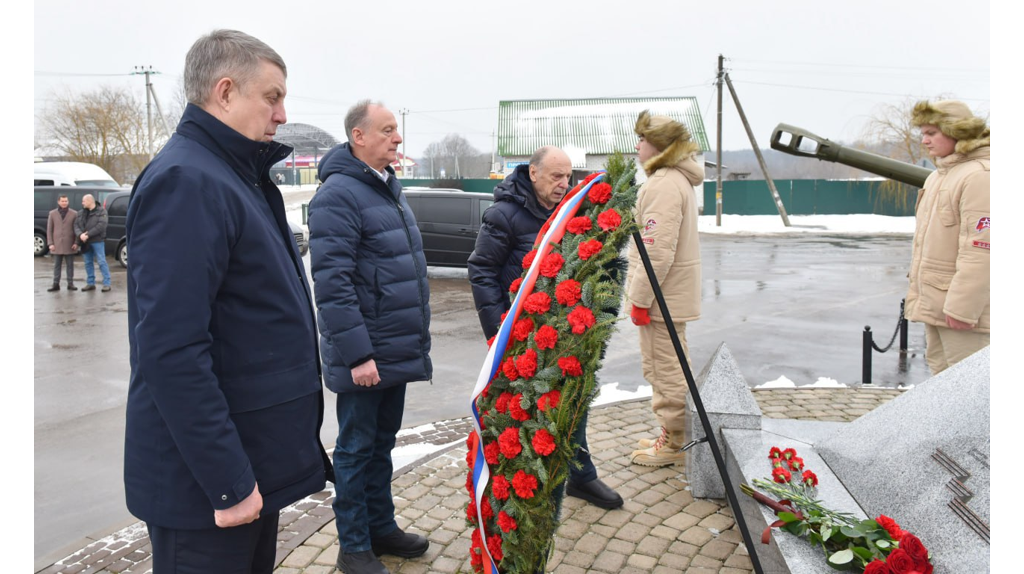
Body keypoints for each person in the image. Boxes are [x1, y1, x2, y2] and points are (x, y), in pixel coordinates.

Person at [123, 29, 332, 573]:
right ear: (224, 92)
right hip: (207, 490)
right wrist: (229, 483)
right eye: (272, 96)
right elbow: (170, 351)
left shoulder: (231, 175)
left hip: (245, 469)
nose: (283, 113)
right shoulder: (188, 181)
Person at [308, 100, 432, 574]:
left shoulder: (383, 187)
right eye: (387, 131)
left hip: (393, 349)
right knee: (357, 450)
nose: (397, 138)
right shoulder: (339, 194)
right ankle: (353, 545)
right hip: (366, 357)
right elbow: (333, 284)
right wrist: (358, 354)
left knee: (382, 444)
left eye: (396, 130)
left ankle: (381, 527)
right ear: (358, 136)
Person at [467, 146, 624, 510]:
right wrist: (498, 332)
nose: (563, 183)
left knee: (575, 401)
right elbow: (482, 271)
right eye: (556, 176)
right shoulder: (503, 215)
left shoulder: (570, 212)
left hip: (563, 335)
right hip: (521, 340)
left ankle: (581, 477)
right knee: (527, 411)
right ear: (533, 173)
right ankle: (527, 487)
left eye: (568, 176)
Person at [625, 111, 704, 467]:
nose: (637, 146)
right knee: (669, 365)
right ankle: (671, 432)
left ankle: (674, 441)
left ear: (657, 144)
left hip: (662, 299)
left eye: (642, 139)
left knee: (665, 369)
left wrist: (640, 299)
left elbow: (655, 253)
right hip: (669, 297)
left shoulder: (663, 185)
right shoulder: (672, 179)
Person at [906, 100, 990, 374]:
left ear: (957, 131)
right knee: (941, 388)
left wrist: (963, 309)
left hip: (965, 313)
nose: (924, 140)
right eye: (923, 132)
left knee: (971, 394)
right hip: (938, 305)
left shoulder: (981, 176)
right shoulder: (938, 176)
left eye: (932, 132)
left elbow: (982, 250)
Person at [74, 193, 111, 292]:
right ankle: (90, 283)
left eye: (84, 201)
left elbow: (101, 226)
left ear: (90, 201)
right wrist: (80, 235)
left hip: (97, 241)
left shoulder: (102, 212)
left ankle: (107, 283)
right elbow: (76, 225)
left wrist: (88, 234)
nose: (82, 203)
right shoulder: (81, 213)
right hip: (85, 242)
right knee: (88, 263)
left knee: (101, 262)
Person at [46, 194, 78, 291]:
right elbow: (49, 229)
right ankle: (56, 284)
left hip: (70, 244)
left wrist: (76, 242)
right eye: (62, 201)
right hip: (56, 244)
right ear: (58, 202)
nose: (64, 203)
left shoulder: (74, 214)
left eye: (66, 201)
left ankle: (70, 283)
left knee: (70, 265)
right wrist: (50, 243)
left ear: (68, 202)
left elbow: (77, 229)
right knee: (57, 265)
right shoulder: (52, 213)